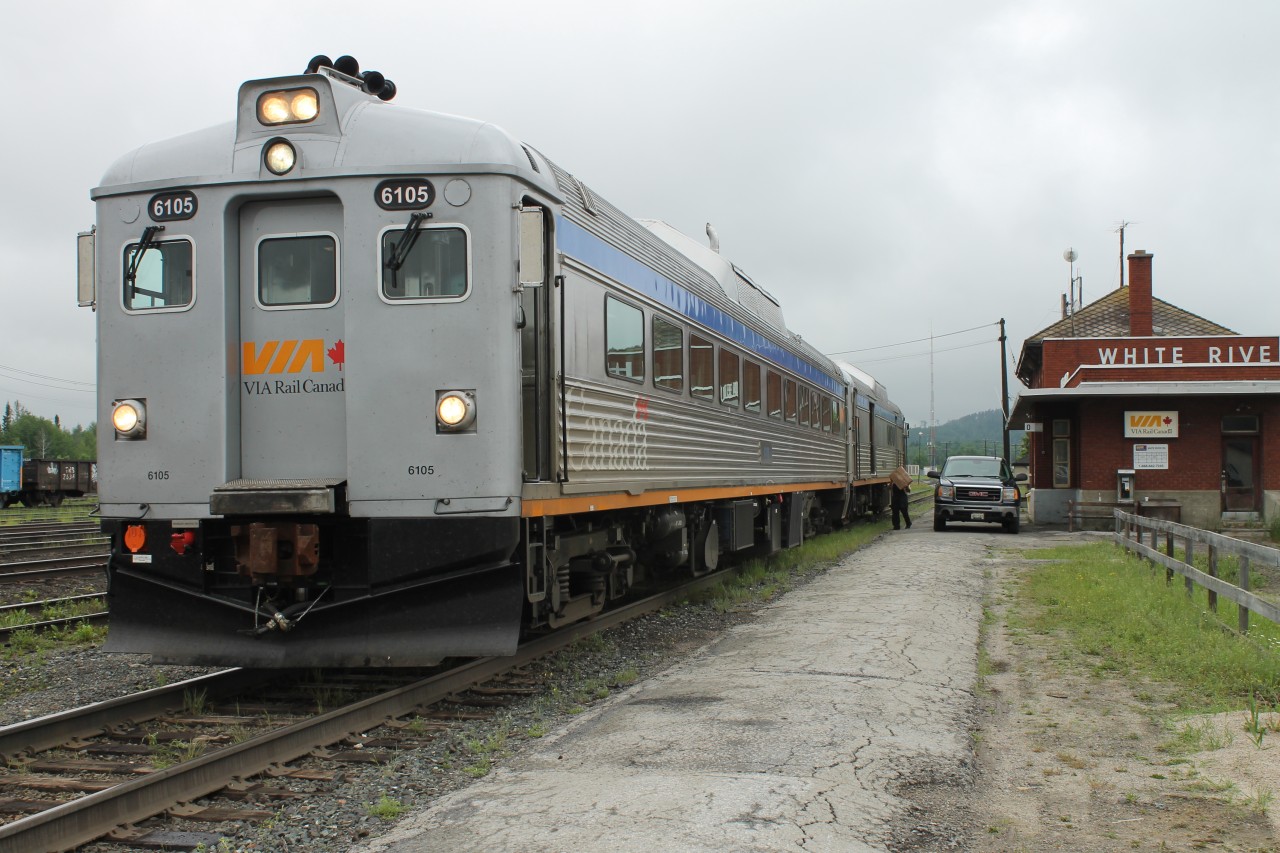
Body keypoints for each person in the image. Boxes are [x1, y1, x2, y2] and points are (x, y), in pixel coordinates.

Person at [890, 465, 912, 530]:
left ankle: (908, 523)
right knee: (895, 512)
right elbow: (890, 488)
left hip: (902, 497)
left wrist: (906, 486)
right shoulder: (893, 481)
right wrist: (891, 482)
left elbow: (909, 490)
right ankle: (896, 526)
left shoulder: (905, 480)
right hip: (895, 497)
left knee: (904, 511)